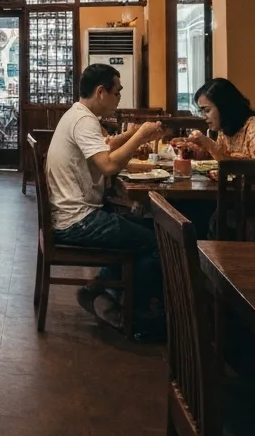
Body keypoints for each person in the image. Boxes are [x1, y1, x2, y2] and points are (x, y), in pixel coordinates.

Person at [45, 63, 166, 333]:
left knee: (150, 231)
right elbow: (109, 165)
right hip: (78, 221)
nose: (119, 97)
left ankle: (99, 288)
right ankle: (137, 316)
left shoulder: (79, 115)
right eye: (117, 92)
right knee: (159, 243)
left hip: (72, 215)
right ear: (102, 92)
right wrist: (141, 137)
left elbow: (105, 147)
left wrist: (131, 134)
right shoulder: (84, 121)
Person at [188, 78, 255, 160]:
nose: (203, 116)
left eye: (207, 110)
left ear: (224, 106)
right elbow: (222, 156)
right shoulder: (225, 128)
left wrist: (208, 144)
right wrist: (198, 150)